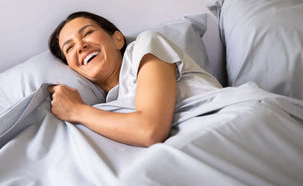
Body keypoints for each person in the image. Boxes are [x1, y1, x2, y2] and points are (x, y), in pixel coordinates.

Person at [48, 11, 222, 147]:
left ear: (117, 39)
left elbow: (150, 130)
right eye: (69, 48)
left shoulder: (145, 44)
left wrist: (77, 111)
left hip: (224, 120)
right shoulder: (111, 106)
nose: (80, 46)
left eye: (88, 33)